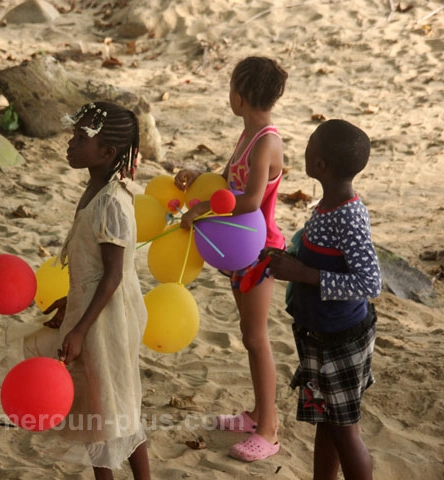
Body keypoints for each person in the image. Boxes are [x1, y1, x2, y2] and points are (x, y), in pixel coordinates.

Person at [174, 56, 288, 461]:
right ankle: (258, 413)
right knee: (247, 333)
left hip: (260, 251)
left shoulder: (267, 142)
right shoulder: (247, 134)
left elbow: (252, 200)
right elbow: (227, 183)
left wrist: (203, 208)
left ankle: (270, 431)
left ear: (238, 97)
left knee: (257, 339)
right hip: (239, 247)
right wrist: (195, 175)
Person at [265, 119, 381, 480]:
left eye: (310, 142)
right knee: (326, 423)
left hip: (340, 340)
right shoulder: (329, 205)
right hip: (318, 338)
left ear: (320, 166)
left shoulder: (349, 216)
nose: (305, 146)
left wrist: (303, 275)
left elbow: (370, 282)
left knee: (345, 432)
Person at [43, 101, 150, 479]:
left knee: (110, 405)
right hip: (90, 309)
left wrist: (79, 329)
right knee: (101, 403)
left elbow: (112, 275)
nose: (70, 143)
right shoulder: (95, 187)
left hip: (105, 320)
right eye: (73, 133)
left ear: (107, 152)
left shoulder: (112, 203)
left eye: (80, 137)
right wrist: (68, 300)